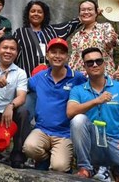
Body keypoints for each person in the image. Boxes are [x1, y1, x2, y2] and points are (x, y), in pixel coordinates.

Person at [67, 47, 119, 181]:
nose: (94, 64)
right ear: (85, 67)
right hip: (93, 141)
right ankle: (85, 168)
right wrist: (96, 101)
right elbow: (70, 112)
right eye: (90, 62)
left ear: (104, 63)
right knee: (78, 120)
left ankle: (117, 170)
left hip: (116, 141)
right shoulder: (78, 90)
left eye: (98, 61)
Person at [23, 38, 86, 173]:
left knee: (59, 167)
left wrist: (113, 79)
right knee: (29, 148)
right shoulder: (40, 77)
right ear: (47, 55)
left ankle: (57, 160)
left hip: (65, 133)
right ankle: (45, 159)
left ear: (67, 57)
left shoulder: (77, 78)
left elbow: (94, 85)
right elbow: (22, 86)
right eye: (53, 52)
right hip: (42, 129)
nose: (57, 56)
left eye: (61, 53)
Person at [0, 35, 29, 168]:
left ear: (16, 53)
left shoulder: (20, 73)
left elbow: (21, 97)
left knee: (23, 111)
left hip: (6, 114)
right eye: (5, 47)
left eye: (12, 49)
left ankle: (17, 155)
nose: (8, 51)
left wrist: (10, 106)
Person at [13, 0, 80, 79]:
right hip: (27, 80)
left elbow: (71, 24)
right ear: (28, 14)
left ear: (44, 15)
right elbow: (13, 56)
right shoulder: (20, 33)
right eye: (33, 11)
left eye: (40, 12)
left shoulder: (52, 30)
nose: (36, 14)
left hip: (51, 80)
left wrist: (91, 13)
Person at [69, 0, 119, 75]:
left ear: (96, 13)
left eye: (89, 9)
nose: (86, 12)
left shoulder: (105, 27)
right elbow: (73, 60)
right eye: (83, 10)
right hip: (82, 79)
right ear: (79, 14)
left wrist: (113, 40)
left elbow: (111, 43)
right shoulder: (76, 37)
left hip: (104, 77)